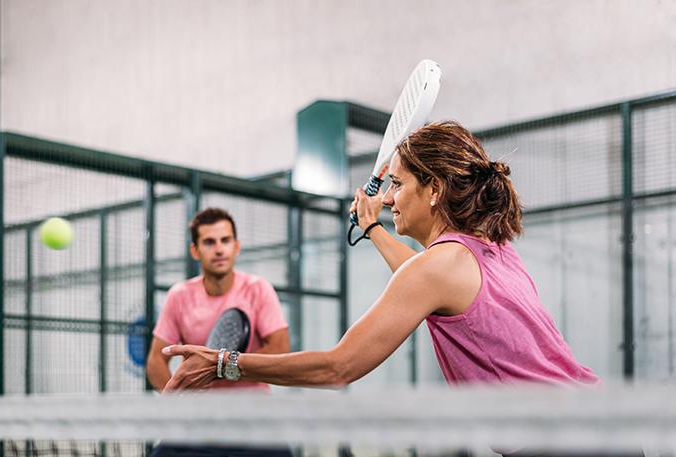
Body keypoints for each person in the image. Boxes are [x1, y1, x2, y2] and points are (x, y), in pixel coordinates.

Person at [162, 121, 615, 456]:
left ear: (434, 189)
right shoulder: (487, 249)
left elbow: (337, 368)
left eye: (398, 184)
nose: (390, 196)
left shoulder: (440, 267)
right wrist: (374, 228)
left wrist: (224, 364)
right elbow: (419, 278)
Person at [146, 207, 293, 457]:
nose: (219, 249)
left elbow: (280, 349)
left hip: (255, 421)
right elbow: (156, 360)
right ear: (195, 250)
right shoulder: (179, 296)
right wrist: (179, 401)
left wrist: (220, 367)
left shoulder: (258, 289)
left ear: (236, 246)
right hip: (198, 424)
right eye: (209, 242)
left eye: (225, 240)